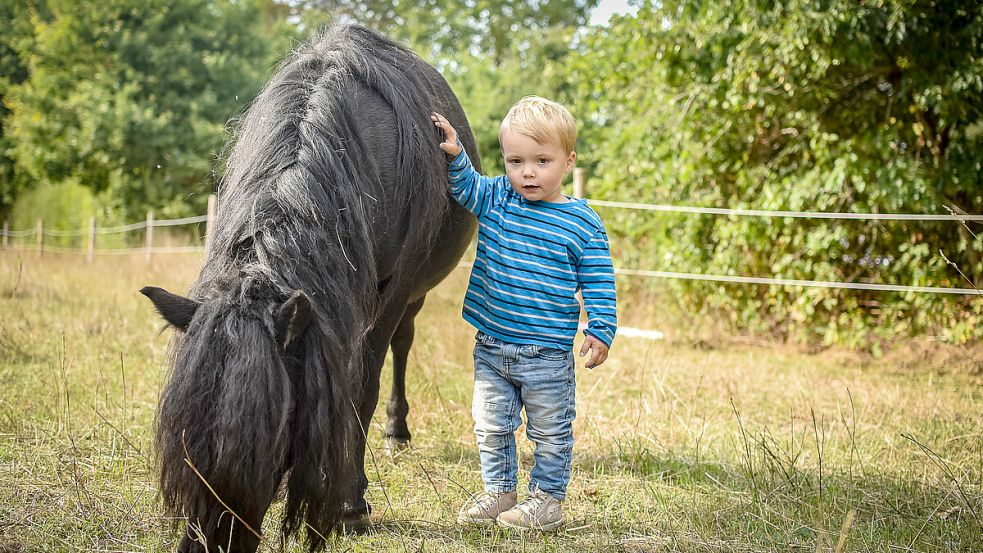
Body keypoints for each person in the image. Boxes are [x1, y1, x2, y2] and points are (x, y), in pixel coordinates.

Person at [431, 96, 617, 531]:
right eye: (515, 161)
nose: (527, 172)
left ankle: (547, 501)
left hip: (547, 355)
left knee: (550, 433)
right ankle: (500, 491)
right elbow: (466, 187)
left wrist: (601, 328)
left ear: (568, 162)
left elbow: (599, 282)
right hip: (492, 345)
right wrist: (457, 155)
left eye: (542, 160)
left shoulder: (582, 223)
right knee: (490, 426)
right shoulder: (496, 197)